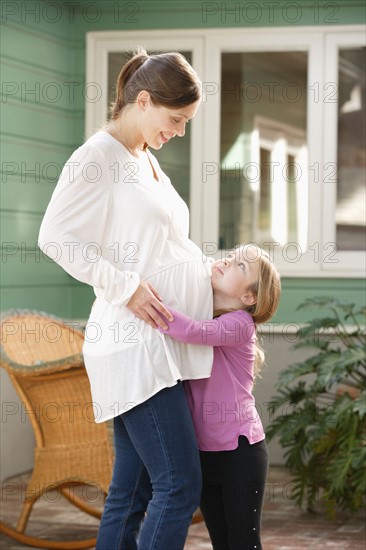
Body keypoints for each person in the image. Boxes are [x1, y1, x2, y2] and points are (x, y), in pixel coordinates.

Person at [38, 49, 214, 549]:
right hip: (133, 346)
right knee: (180, 485)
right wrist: (126, 287)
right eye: (176, 119)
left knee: (132, 493)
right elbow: (56, 237)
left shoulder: (145, 160)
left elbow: (165, 247)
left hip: (160, 346)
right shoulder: (97, 156)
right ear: (143, 100)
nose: (179, 131)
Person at [158, 244, 281, 550]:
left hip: (240, 454)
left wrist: (149, 302)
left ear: (249, 297)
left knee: (242, 541)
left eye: (241, 266)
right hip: (204, 453)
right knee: (221, 543)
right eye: (232, 256)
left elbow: (192, 331)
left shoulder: (240, 324)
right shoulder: (208, 314)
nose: (229, 260)